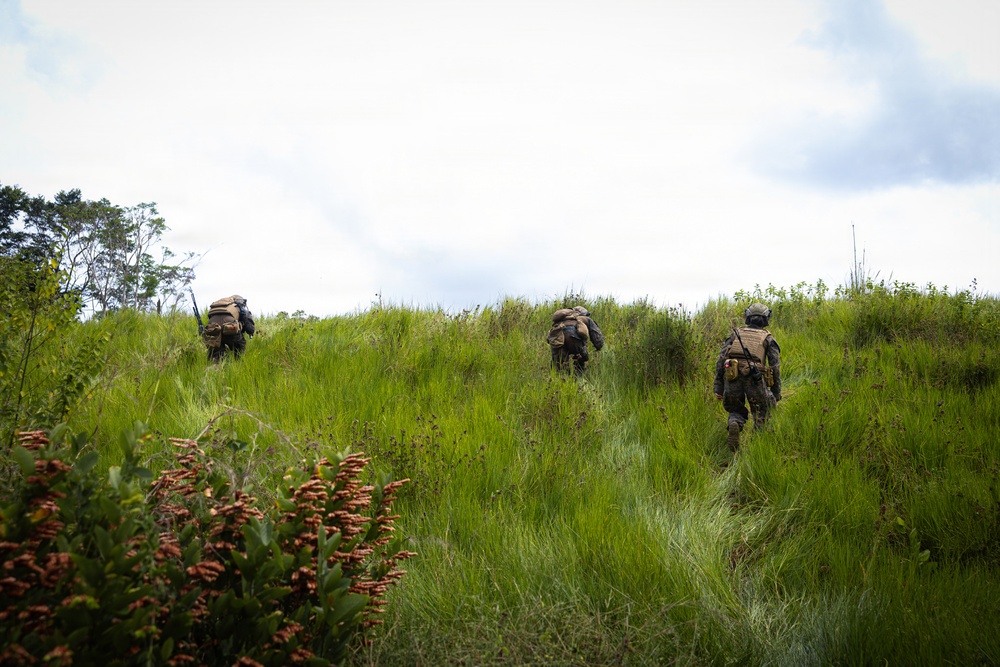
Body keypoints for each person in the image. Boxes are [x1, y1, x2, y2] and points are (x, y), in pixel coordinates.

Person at [713, 302, 781, 451]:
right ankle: (757, 447)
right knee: (762, 410)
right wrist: (776, 394)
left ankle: (735, 423)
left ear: (747, 317)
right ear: (766, 319)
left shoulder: (735, 334)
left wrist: (718, 387)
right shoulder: (768, 339)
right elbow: (775, 367)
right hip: (755, 378)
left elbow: (720, 360)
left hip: (732, 375)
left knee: (736, 409)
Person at [547, 305, 604, 375]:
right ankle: (579, 381)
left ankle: (563, 383)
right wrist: (598, 347)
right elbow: (598, 339)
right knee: (579, 364)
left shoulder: (559, 321)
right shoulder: (586, 319)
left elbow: (550, 337)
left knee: (560, 369)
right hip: (574, 339)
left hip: (558, 341)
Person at [202, 294, 255, 362]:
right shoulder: (239, 307)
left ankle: (214, 368)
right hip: (230, 328)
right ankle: (238, 365)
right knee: (239, 349)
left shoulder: (219, 307)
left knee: (215, 353)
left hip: (213, 328)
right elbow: (250, 329)